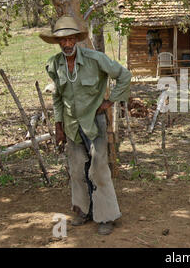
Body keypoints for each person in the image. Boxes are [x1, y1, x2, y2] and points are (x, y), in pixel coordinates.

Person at [40, 16, 132, 235]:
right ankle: (83, 211)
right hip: (72, 125)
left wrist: (110, 101)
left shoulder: (95, 59)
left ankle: (106, 216)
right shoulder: (55, 64)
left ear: (76, 39)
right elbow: (58, 97)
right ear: (57, 42)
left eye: (70, 39)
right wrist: (58, 125)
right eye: (62, 40)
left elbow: (124, 75)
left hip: (94, 122)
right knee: (76, 169)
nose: (67, 44)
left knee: (99, 169)